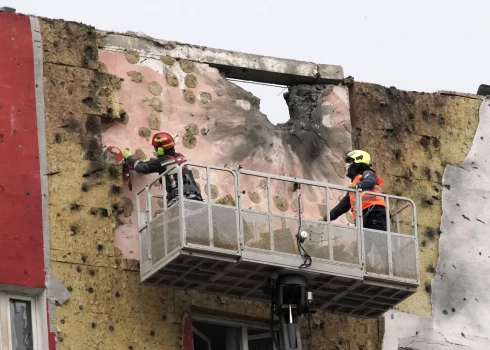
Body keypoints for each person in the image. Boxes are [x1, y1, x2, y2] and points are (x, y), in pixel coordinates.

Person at [122, 132, 203, 207]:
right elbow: (165, 162)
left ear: (161, 150)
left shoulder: (162, 162)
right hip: (196, 197)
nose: (155, 150)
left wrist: (129, 157)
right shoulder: (181, 157)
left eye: (156, 148)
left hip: (179, 198)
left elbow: (140, 168)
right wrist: (151, 161)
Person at [323, 150, 387, 231]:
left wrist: (358, 185)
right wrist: (327, 218)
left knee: (380, 242)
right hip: (362, 217)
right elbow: (343, 206)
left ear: (358, 161)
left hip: (375, 213)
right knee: (365, 243)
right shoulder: (354, 184)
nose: (348, 165)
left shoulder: (367, 173)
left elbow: (371, 181)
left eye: (350, 161)